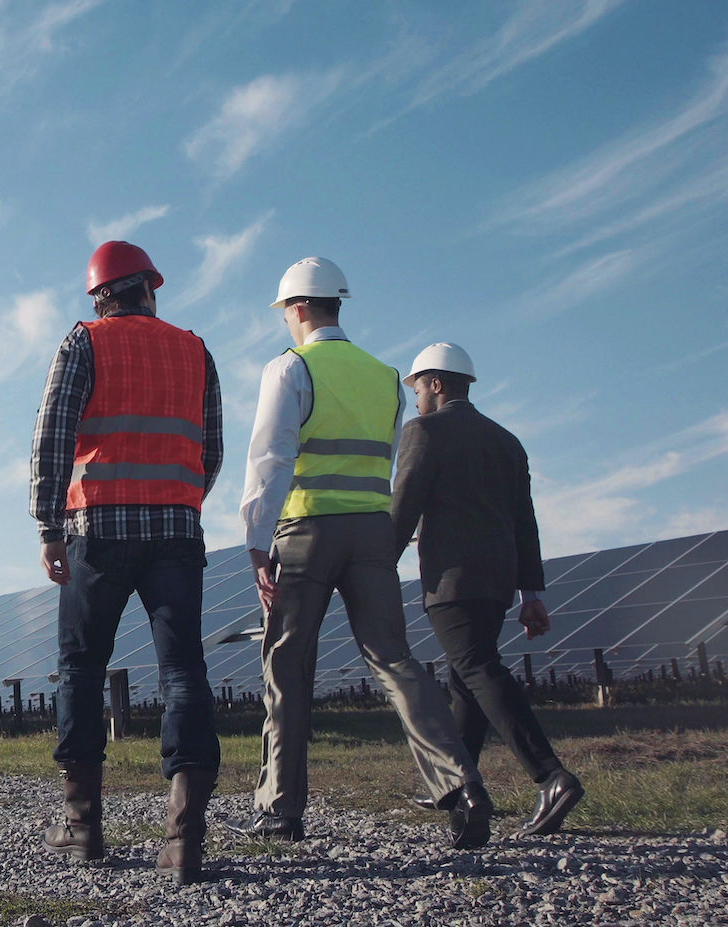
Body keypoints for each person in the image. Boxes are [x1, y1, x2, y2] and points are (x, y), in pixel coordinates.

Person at [232, 257, 492, 849]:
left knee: (288, 666)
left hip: (306, 532)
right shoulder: (384, 375)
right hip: (373, 533)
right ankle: (462, 785)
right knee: (394, 660)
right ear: (336, 305)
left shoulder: (291, 368)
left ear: (297, 309)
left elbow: (270, 461)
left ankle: (281, 809)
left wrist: (255, 541)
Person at [30, 240, 224, 883]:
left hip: (98, 528)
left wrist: (46, 523)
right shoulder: (196, 350)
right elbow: (211, 448)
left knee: (82, 669)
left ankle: (83, 825)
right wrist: (179, 499)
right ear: (150, 286)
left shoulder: (83, 342)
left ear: (99, 294)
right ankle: (184, 839)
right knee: (182, 671)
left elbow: (54, 432)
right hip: (176, 528)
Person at [391, 342, 585, 837]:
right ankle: (456, 783)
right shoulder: (507, 440)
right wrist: (532, 592)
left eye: (416, 389)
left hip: (452, 581)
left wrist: (374, 566)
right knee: (466, 677)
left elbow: (404, 506)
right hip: (498, 581)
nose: (414, 401)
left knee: (477, 668)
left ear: (435, 384)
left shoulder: (424, 431)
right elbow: (526, 521)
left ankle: (550, 775)